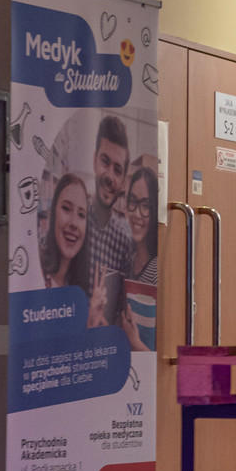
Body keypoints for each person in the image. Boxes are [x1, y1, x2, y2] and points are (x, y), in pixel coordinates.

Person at [85, 115, 134, 328]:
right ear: (94, 160)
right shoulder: (74, 223)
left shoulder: (124, 240)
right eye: (105, 162)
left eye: (118, 170)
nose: (110, 176)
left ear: (123, 182)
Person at [119, 166, 158, 352]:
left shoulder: (157, 271)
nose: (137, 214)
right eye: (133, 202)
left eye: (145, 206)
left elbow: (163, 353)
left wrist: (134, 342)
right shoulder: (130, 261)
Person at [39, 172, 91, 291]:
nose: (74, 223)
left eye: (81, 215)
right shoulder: (35, 267)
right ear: (53, 213)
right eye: (66, 208)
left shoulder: (77, 282)